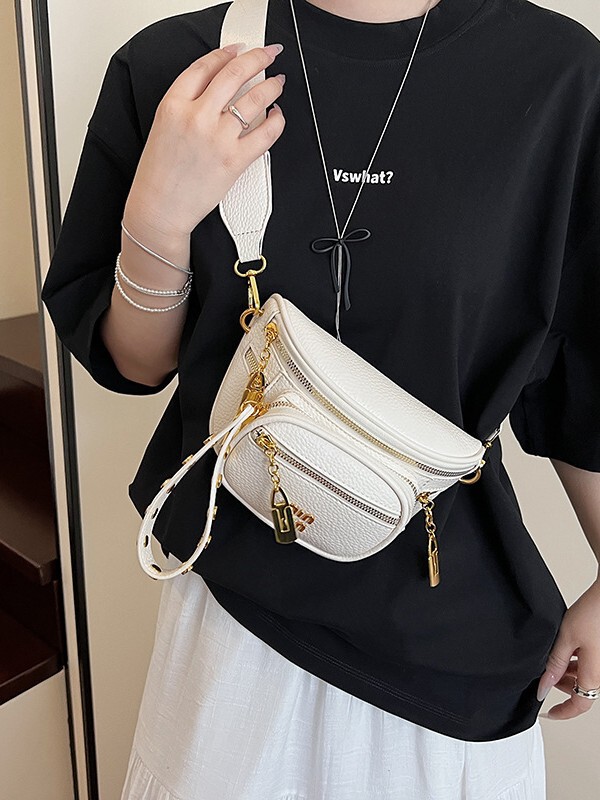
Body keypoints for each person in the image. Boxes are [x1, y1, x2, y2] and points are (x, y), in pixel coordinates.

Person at [41, 0, 600, 797]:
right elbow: (136, 363)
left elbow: (582, 371)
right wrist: (158, 216)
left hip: (450, 634)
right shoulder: (181, 62)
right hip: (234, 629)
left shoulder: (558, 73)